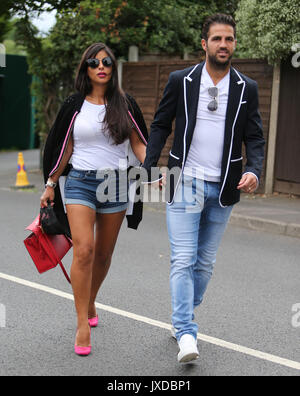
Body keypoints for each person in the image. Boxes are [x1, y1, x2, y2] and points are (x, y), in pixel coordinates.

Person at [142, 14, 265, 363]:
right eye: (216, 39)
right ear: (204, 44)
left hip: (224, 187)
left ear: (234, 44)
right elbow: (161, 123)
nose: (223, 45)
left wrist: (254, 170)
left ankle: (180, 314)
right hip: (186, 182)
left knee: (204, 264)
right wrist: (149, 165)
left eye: (229, 39)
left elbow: (255, 136)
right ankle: (185, 331)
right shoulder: (181, 80)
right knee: (183, 258)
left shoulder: (247, 88)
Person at [41, 43, 148, 356]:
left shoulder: (124, 103)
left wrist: (152, 168)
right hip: (79, 183)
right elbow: (64, 147)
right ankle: (81, 324)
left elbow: (140, 144)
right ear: (85, 68)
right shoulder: (74, 104)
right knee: (84, 249)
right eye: (93, 62)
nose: (100, 66)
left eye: (106, 62)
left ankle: (89, 300)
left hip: (115, 184)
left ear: (113, 68)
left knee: (103, 254)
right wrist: (51, 183)